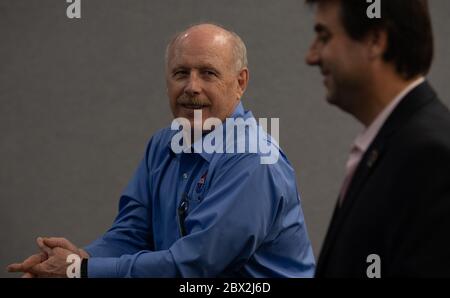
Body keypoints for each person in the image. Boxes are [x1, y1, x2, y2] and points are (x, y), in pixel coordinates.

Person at [7, 23, 315, 278]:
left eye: (208, 73)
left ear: (240, 82)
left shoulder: (254, 160)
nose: (192, 87)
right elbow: (131, 232)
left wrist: (81, 270)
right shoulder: (162, 145)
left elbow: (195, 264)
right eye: (181, 73)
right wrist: (80, 257)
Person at [305, 0, 450, 277]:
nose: (311, 56)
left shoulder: (431, 157)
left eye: (324, 36)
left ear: (375, 40)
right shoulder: (392, 144)